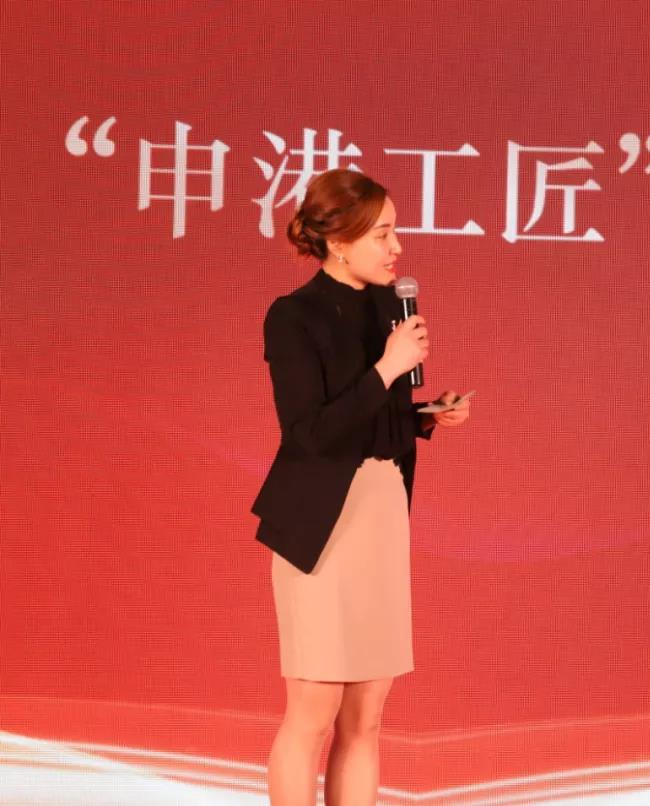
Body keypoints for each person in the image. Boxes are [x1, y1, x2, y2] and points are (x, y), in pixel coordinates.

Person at [252, 168, 470, 806]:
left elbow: (374, 419)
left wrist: (426, 416)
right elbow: (309, 435)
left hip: (380, 516)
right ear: (339, 242)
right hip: (321, 526)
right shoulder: (293, 317)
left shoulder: (388, 309)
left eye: (395, 231)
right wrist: (386, 368)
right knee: (313, 710)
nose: (397, 247)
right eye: (382, 234)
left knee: (367, 716)